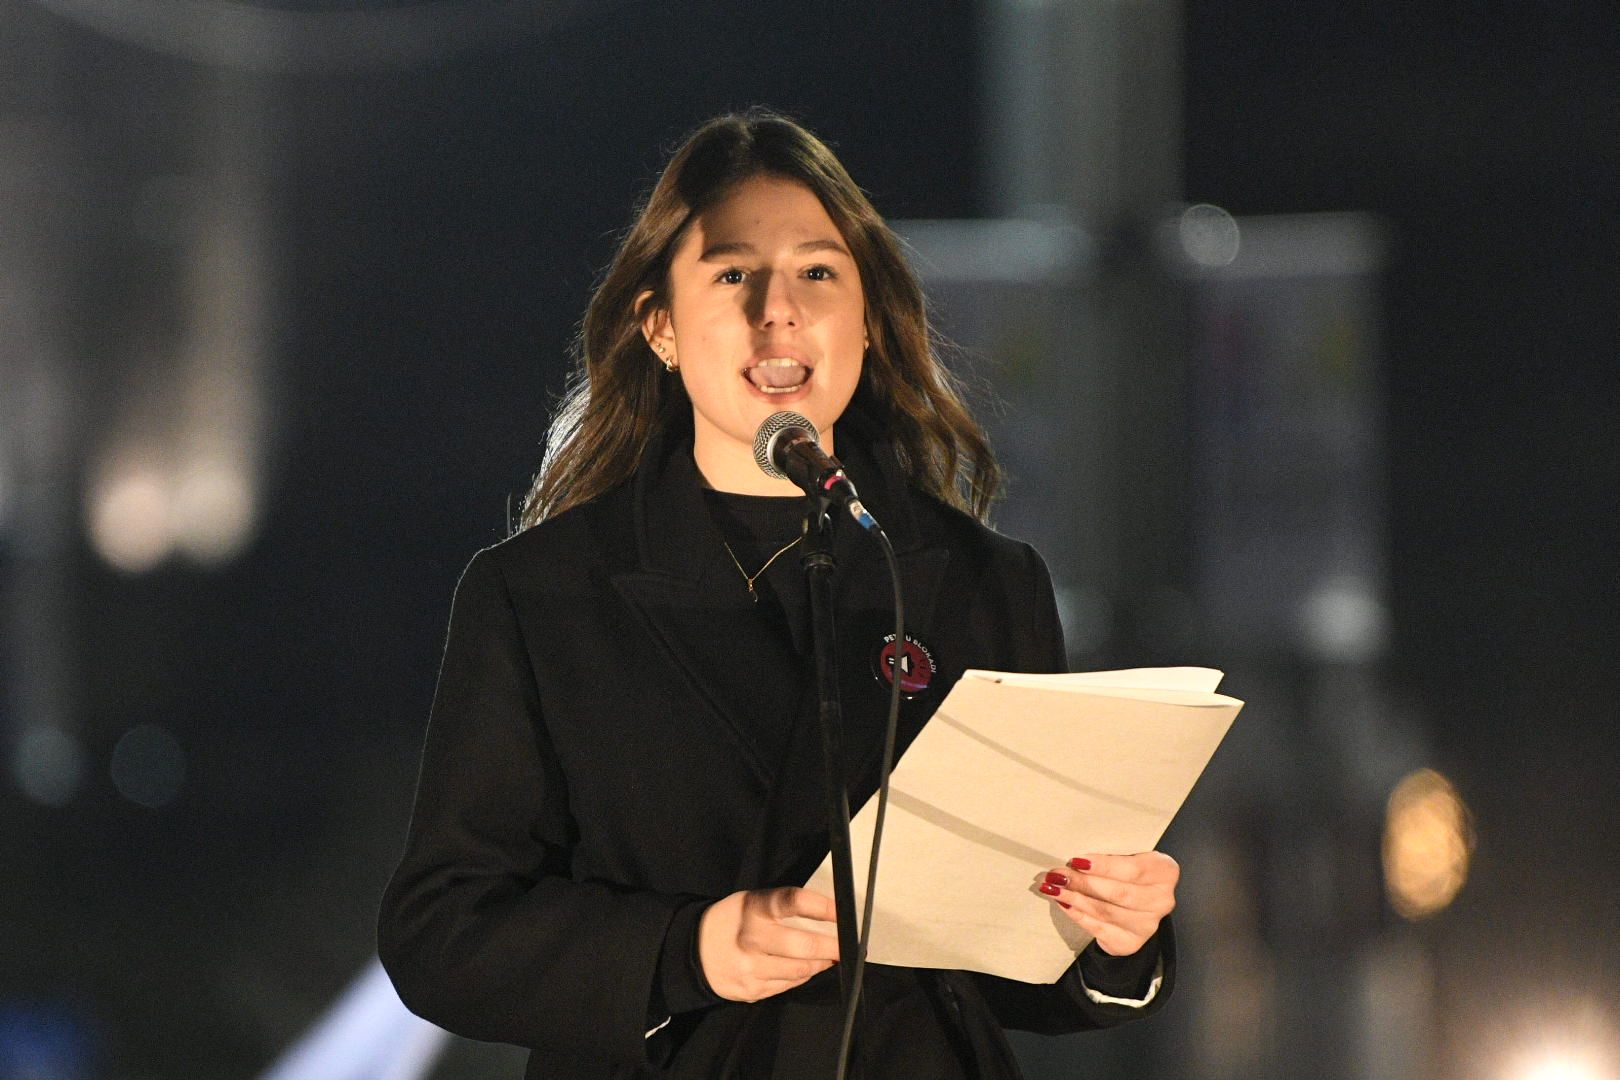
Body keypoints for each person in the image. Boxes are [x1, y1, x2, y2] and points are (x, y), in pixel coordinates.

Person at [378, 109, 1180, 1080]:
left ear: (870, 319)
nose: (778, 309)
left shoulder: (978, 580)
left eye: (817, 272)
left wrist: (1109, 933)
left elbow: (1009, 969)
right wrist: (694, 950)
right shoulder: (545, 593)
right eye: (730, 275)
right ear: (660, 327)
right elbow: (444, 932)